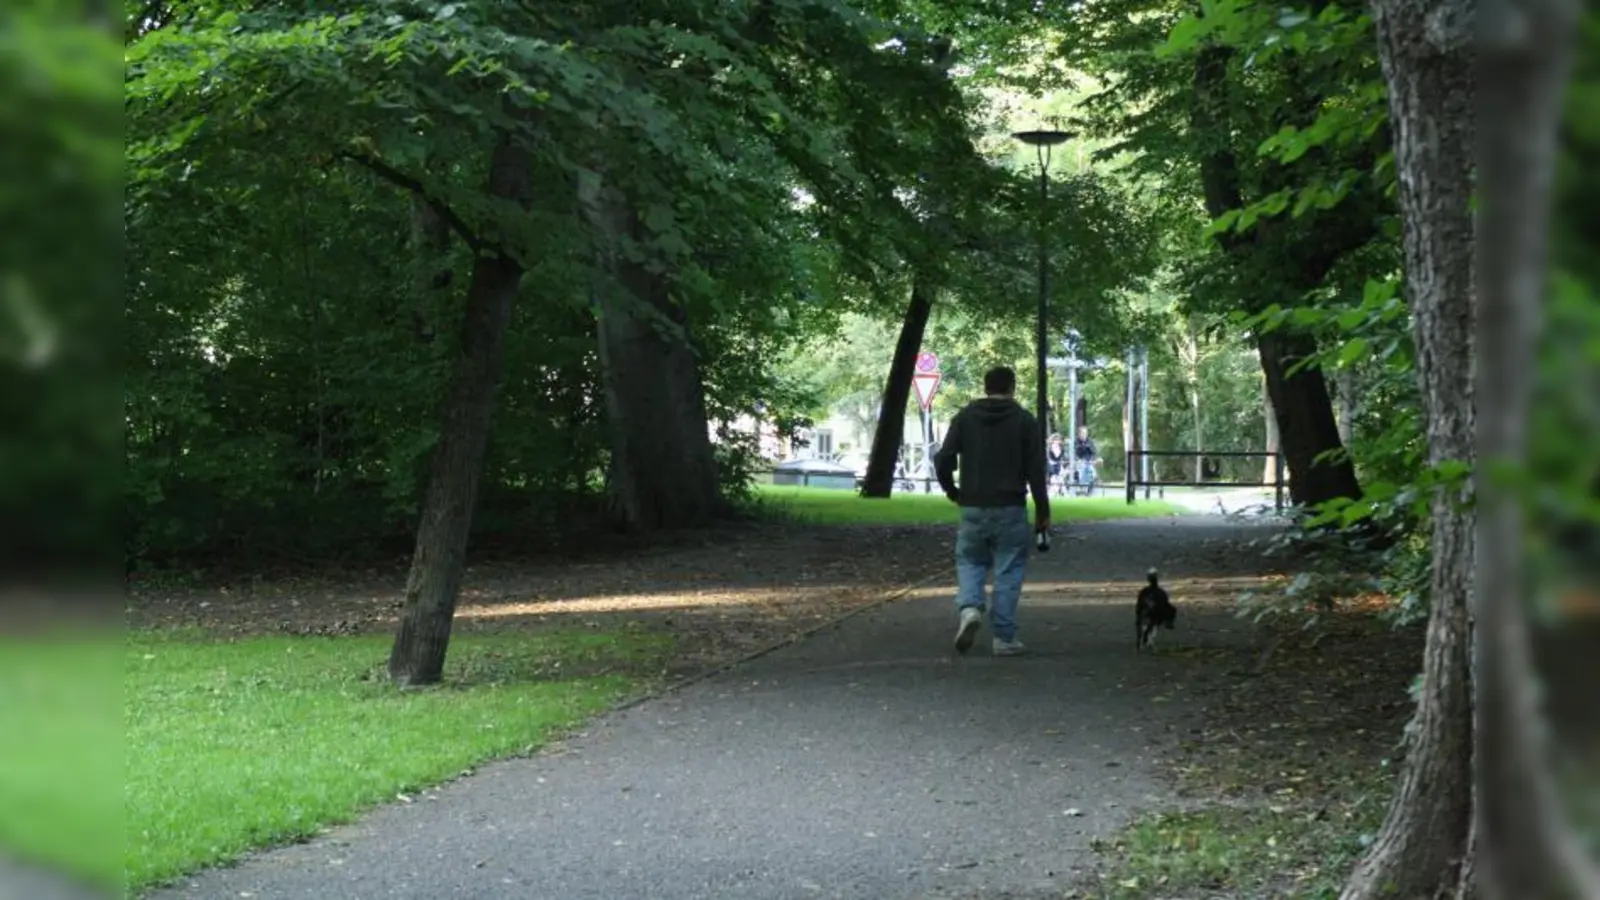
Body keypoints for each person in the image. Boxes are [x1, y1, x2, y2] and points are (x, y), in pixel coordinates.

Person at [933, 366, 1051, 657]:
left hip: (972, 505)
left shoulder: (965, 418)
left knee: (970, 561)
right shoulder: (1025, 422)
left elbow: (943, 458)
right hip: (1010, 505)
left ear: (985, 386)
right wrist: (1043, 511)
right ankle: (1004, 637)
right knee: (1008, 570)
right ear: (1012, 386)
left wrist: (953, 491)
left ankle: (971, 607)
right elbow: (1036, 471)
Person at [1072, 425, 1098, 494]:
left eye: (1085, 433)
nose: (1084, 435)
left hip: (1088, 462)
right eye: (1082, 433)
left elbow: (1094, 453)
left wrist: (1093, 460)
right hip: (1079, 462)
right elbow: (1074, 453)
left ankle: (1089, 492)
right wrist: (1078, 460)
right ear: (1079, 434)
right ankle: (1081, 488)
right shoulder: (1076, 442)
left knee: (1092, 473)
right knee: (1081, 469)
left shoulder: (1090, 441)